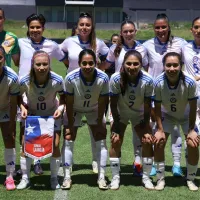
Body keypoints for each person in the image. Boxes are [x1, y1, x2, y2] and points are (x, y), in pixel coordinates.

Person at [17, 13, 68, 176]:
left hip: (46, 90)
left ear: (43, 28)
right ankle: (25, 162)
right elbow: (16, 60)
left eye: (38, 27)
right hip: (25, 90)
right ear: (28, 28)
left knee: (45, 128)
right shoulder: (20, 42)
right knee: (24, 129)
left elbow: (66, 61)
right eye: (32, 27)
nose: (35, 30)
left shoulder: (52, 45)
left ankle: (38, 161)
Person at [60, 12, 109, 176]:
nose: (84, 27)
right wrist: (73, 71)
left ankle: (96, 161)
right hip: (73, 89)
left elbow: (109, 59)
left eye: (87, 25)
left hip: (92, 90)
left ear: (92, 27)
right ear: (77, 26)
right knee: (69, 129)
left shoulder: (99, 44)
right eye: (81, 24)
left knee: (96, 131)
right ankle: (66, 163)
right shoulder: (69, 41)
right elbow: (62, 57)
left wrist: (98, 71)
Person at [100, 20, 149, 176]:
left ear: (135, 31)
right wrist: (93, 68)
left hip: (137, 97)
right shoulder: (115, 48)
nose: (128, 34)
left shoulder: (142, 48)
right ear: (121, 33)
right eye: (125, 31)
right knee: (116, 135)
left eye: (131, 31)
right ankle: (117, 170)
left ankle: (138, 163)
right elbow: (106, 66)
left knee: (138, 132)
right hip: (119, 96)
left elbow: (145, 69)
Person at [143, 13, 188, 176]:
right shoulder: (147, 45)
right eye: (157, 27)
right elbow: (140, 65)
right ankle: (156, 163)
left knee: (176, 128)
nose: (161, 30)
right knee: (157, 128)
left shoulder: (181, 44)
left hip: (177, 92)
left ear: (169, 27)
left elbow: (189, 62)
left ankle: (176, 165)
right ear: (153, 28)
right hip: (156, 94)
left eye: (163, 27)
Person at [17, 50, 65, 190]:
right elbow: (18, 97)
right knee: (26, 146)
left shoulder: (57, 79)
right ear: (33, 64)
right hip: (32, 116)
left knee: (55, 145)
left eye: (45, 64)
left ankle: (54, 178)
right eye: (38, 64)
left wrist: (60, 109)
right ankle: (25, 178)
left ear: (49, 64)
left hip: (51, 115)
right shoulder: (25, 81)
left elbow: (63, 97)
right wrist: (23, 107)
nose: (42, 67)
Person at [63, 49, 109, 190]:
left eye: (91, 63)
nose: (88, 66)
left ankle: (101, 176)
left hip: (94, 108)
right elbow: (69, 103)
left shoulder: (103, 78)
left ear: (96, 63)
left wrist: (101, 121)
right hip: (75, 108)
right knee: (69, 137)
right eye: (84, 63)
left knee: (101, 138)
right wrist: (70, 124)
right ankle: (66, 177)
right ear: (79, 63)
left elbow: (103, 101)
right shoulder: (70, 78)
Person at [153, 52, 199, 191]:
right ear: (164, 66)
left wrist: (191, 130)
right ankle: (160, 179)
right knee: (159, 142)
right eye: (168, 65)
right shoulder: (158, 82)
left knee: (192, 143)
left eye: (175, 65)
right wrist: (160, 130)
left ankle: (190, 179)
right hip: (168, 116)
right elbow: (157, 108)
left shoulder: (190, 81)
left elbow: (192, 108)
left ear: (181, 66)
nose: (172, 68)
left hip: (186, 117)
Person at [109, 50, 154, 190]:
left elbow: (147, 107)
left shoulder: (147, 80)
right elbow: (113, 104)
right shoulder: (116, 78)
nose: (132, 66)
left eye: (136, 64)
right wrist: (116, 125)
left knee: (147, 141)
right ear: (123, 64)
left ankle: (146, 178)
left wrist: (146, 128)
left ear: (141, 65)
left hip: (139, 113)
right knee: (116, 140)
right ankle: (115, 177)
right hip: (120, 112)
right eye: (129, 63)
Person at [0, 46, 19, 191]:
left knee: (9, 138)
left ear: (4, 59)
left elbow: (13, 104)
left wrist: (12, 124)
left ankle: (10, 175)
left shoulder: (12, 77)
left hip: (5, 109)